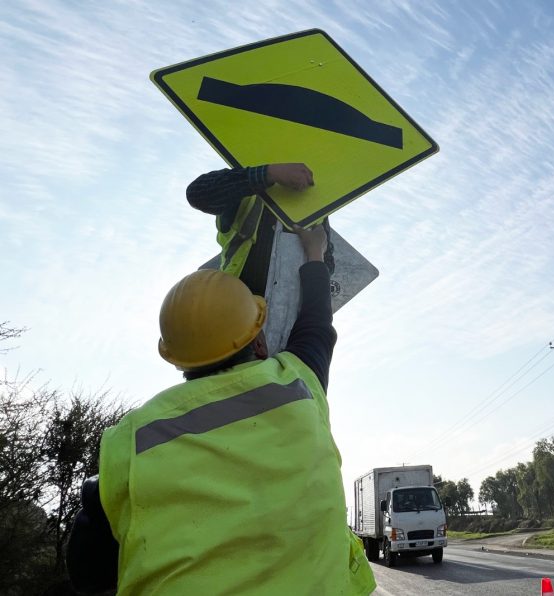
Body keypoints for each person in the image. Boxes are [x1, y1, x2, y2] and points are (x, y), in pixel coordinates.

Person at [65, 223, 376, 595]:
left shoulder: (132, 437)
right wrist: (314, 253)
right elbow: (316, 325)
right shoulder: (297, 386)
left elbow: (90, 573)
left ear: (178, 359)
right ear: (259, 343)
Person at [186, 162, 332, 296]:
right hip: (233, 305)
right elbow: (197, 193)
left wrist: (316, 253)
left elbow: (329, 265)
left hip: (291, 316)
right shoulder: (243, 186)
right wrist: (270, 172)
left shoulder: (317, 211)